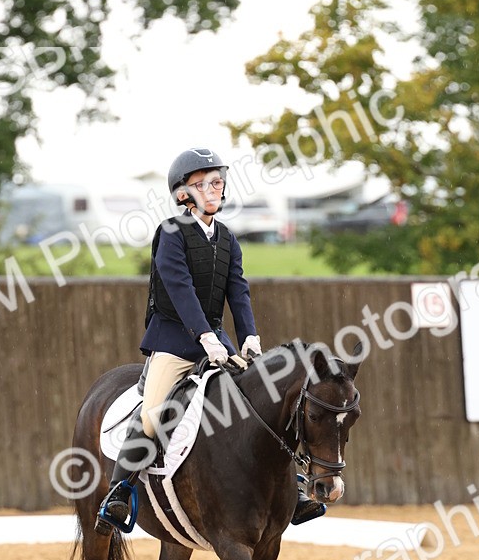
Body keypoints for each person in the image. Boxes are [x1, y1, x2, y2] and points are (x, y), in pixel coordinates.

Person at [94, 147, 324, 534]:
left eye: (217, 181)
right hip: (174, 342)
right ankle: (120, 492)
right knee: (153, 414)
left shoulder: (228, 238)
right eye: (203, 184)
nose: (214, 189)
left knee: (264, 400)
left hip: (219, 341)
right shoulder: (171, 233)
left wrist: (249, 336)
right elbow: (180, 289)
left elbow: (238, 289)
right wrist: (203, 335)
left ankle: (293, 487)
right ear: (184, 194)